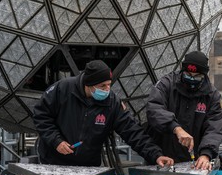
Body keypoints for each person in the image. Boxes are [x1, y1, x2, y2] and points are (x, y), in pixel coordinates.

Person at [33, 60, 174, 168]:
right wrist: (56, 141)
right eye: (102, 86)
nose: (107, 90)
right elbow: (41, 116)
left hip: (88, 166)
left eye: (109, 84)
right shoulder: (62, 89)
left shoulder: (112, 102)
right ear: (88, 84)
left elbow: (133, 132)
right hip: (53, 162)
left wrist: (156, 155)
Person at [146, 51, 222, 170]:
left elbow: (214, 128)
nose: (192, 79)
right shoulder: (166, 84)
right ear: (182, 71)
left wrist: (206, 154)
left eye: (197, 76)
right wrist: (175, 128)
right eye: (188, 75)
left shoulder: (212, 95)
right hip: (161, 156)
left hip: (194, 161)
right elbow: (154, 109)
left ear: (204, 75)